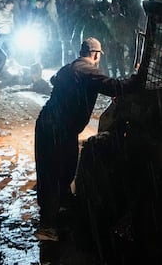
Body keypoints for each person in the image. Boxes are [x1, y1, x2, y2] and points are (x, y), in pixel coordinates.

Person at [34, 37, 138, 241]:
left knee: (62, 170)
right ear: (95, 54)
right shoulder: (87, 70)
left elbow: (56, 80)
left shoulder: (70, 67)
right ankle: (47, 226)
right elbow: (115, 86)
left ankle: (61, 212)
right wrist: (139, 77)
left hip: (52, 126)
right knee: (55, 174)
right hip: (58, 129)